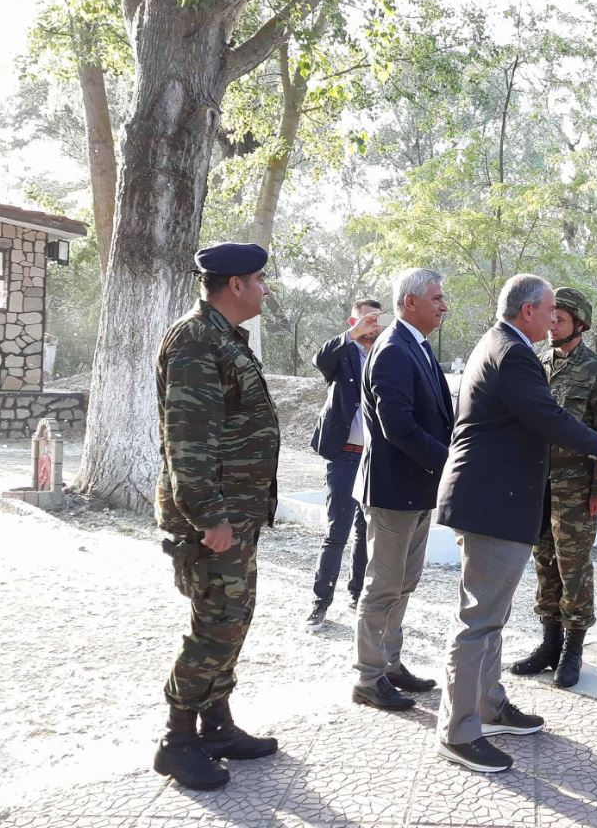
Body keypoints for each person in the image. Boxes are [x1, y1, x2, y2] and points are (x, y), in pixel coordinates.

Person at [434, 274, 597, 773]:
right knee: (477, 621)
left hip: (498, 502)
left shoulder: (501, 344)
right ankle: (458, 732)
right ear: (528, 311)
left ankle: (489, 706)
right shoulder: (514, 353)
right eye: (549, 308)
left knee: (489, 617)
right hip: (493, 504)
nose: (554, 317)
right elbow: (546, 417)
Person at [152, 242, 281, 791]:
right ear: (235, 285)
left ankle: (216, 725)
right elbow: (189, 440)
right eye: (259, 279)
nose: (265, 289)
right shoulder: (195, 340)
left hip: (236, 512)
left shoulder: (223, 337)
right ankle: (176, 741)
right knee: (216, 624)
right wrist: (209, 516)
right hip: (214, 518)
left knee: (233, 618)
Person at [350, 268, 454, 711]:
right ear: (410, 302)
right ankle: (368, 677)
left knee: (404, 582)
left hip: (417, 488)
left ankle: (390, 664)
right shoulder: (393, 349)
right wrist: (449, 462)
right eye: (437, 298)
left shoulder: (417, 345)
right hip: (392, 492)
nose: (444, 306)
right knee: (383, 586)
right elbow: (399, 427)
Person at [510, 287, 597, 688]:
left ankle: (573, 649)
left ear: (580, 324)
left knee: (573, 567)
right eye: (550, 317)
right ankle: (549, 643)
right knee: (544, 562)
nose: (552, 324)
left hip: (575, 488)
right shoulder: (535, 362)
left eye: (560, 319)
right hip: (537, 484)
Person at [306, 298, 384, 628]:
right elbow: (319, 359)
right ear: (352, 322)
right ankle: (320, 602)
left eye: (375, 320)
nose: (371, 325)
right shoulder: (342, 353)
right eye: (364, 320)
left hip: (376, 458)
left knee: (366, 532)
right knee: (336, 532)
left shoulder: (386, 355)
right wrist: (352, 334)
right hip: (344, 455)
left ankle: (357, 595)